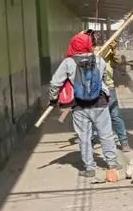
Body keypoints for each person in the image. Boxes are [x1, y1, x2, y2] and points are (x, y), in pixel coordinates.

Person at [49, 33, 120, 178]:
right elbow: (104, 78)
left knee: (84, 137)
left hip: (79, 106)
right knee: (106, 134)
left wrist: (53, 99)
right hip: (100, 103)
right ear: (88, 44)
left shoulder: (68, 62)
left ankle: (89, 168)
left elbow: (55, 83)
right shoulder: (99, 60)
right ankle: (112, 163)